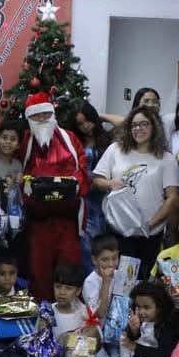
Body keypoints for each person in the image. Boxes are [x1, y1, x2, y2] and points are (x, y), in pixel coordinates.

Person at [92, 105, 179, 275]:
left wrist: (149, 225)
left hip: (149, 234)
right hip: (118, 231)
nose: (138, 128)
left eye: (144, 124)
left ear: (154, 126)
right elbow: (97, 180)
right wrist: (110, 184)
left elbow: (172, 197)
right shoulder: (115, 149)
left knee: (142, 279)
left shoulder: (166, 158)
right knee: (117, 279)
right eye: (134, 125)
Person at [19, 91, 89, 301]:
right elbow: (17, 173)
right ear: (29, 118)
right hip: (38, 223)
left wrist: (70, 187)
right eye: (36, 116)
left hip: (67, 222)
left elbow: (82, 170)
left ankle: (71, 317)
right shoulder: (25, 142)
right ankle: (43, 316)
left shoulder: (70, 139)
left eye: (45, 114)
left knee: (70, 272)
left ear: (52, 115)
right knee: (40, 274)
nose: (42, 119)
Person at [6, 263, 97, 357]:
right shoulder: (47, 309)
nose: (62, 292)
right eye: (58, 287)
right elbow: (36, 349)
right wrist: (42, 332)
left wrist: (86, 336)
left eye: (68, 288)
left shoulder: (85, 314)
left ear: (78, 291)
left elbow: (88, 353)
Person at [71, 99, 111, 267]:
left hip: (105, 199)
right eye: (80, 124)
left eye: (88, 120)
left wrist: (101, 116)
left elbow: (125, 122)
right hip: (85, 201)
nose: (86, 126)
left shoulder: (106, 138)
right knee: (88, 249)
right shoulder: (75, 141)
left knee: (106, 248)